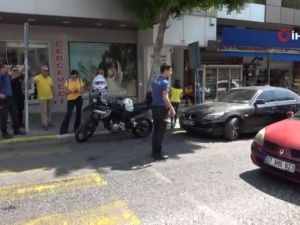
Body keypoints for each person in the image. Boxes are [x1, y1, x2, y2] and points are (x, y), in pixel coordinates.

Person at [151, 63, 175, 160]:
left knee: (156, 130)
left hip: (154, 107)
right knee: (160, 132)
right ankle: (158, 154)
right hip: (161, 109)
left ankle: (154, 151)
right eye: (170, 70)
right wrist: (171, 108)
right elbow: (165, 97)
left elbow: (153, 94)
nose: (171, 72)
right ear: (165, 70)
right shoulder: (165, 82)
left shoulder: (155, 80)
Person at [0, 64, 25, 139]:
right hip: (3, 99)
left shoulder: (8, 76)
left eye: (7, 68)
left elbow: (15, 75)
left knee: (15, 113)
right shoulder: (1, 76)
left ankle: (16, 130)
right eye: (5, 68)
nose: (7, 69)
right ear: (1, 69)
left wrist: (23, 69)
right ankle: (4, 133)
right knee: (4, 116)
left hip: (11, 98)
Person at [60, 70, 84, 135]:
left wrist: (79, 91)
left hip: (78, 98)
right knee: (68, 113)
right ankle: (63, 130)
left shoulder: (79, 81)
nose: (75, 78)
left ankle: (77, 128)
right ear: (70, 76)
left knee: (78, 114)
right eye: (73, 77)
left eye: (76, 77)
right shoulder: (67, 82)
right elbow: (65, 92)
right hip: (70, 99)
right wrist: (70, 91)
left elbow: (82, 91)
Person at [32, 66, 55, 130]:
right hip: (42, 98)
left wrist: (54, 96)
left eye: (47, 70)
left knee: (50, 110)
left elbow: (52, 87)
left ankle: (49, 122)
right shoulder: (37, 77)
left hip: (50, 96)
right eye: (44, 70)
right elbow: (32, 82)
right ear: (41, 71)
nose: (46, 71)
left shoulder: (49, 78)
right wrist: (30, 80)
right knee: (44, 111)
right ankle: (45, 124)